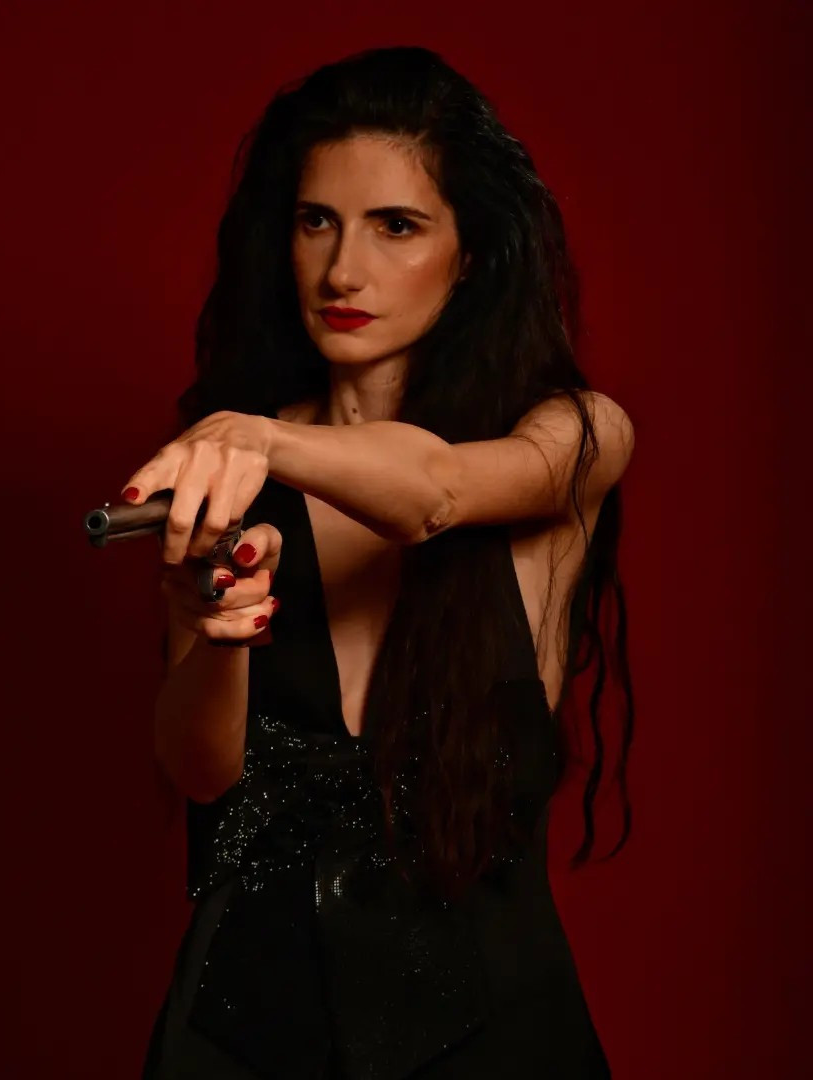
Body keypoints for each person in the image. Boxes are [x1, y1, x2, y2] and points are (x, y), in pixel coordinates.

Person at [127, 45, 635, 1080]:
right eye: (317, 221)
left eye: (396, 226)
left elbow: (434, 491)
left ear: (472, 254)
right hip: (239, 1039)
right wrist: (223, 631)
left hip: (500, 1044)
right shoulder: (229, 470)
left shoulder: (573, 436)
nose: (342, 271)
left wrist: (258, 439)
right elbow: (200, 771)